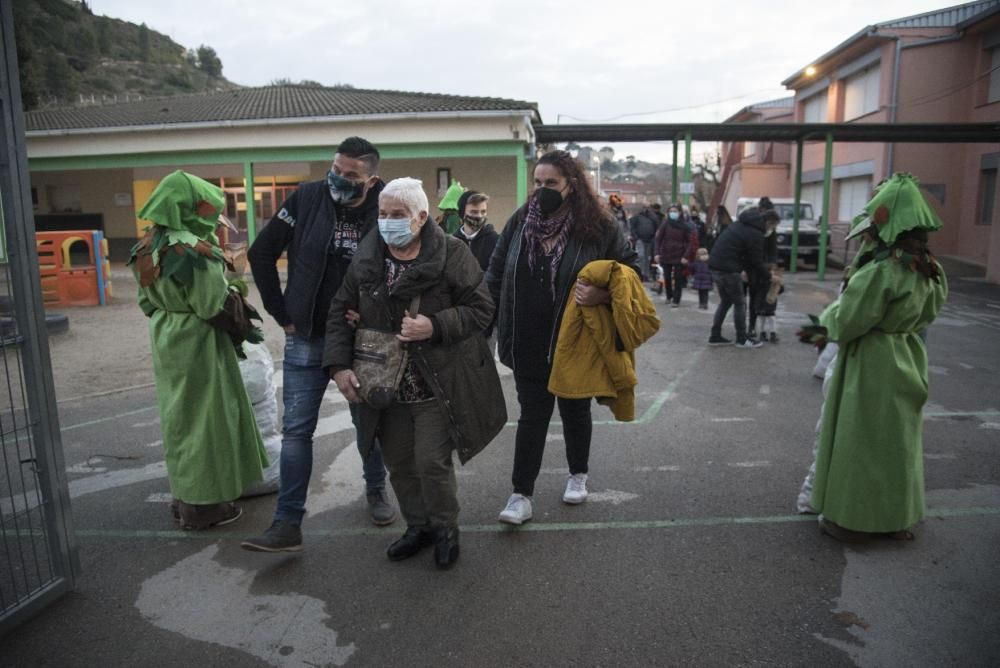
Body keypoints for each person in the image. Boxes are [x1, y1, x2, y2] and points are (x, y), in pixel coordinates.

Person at [324, 177, 505, 569]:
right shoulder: (367, 256)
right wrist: (338, 367)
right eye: (382, 214)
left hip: (435, 381)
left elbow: (481, 308)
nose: (387, 222)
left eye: (398, 215)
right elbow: (341, 310)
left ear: (422, 217)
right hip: (384, 383)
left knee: (430, 462)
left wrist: (435, 325)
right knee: (399, 463)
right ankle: (418, 527)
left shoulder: (452, 254)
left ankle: (445, 529)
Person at [242, 137, 395, 553]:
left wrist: (376, 313)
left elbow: (405, 265)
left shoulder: (387, 205)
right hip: (307, 336)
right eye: (336, 170)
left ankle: (376, 490)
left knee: (369, 423)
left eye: (352, 176)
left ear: (371, 178)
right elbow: (261, 253)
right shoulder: (307, 197)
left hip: (362, 341)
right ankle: (287, 522)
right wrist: (282, 313)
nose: (340, 180)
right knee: (296, 432)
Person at [487, 150, 641, 525]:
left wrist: (602, 295)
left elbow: (632, 273)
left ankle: (578, 474)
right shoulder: (521, 221)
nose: (542, 191)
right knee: (532, 416)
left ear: (571, 185)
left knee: (575, 411)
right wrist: (483, 325)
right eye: (537, 183)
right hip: (526, 338)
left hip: (575, 342)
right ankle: (520, 495)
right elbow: (493, 274)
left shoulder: (600, 226)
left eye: (551, 183)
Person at [806, 173, 948, 543]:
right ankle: (895, 519)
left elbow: (848, 321)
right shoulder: (931, 269)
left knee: (861, 440)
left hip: (872, 361)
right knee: (897, 442)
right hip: (909, 354)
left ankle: (851, 520)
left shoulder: (880, 271)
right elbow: (930, 312)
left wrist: (827, 321)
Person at [128, 170, 268, 530]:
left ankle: (184, 494)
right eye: (207, 211)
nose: (211, 220)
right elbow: (211, 305)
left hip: (166, 338)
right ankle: (203, 506)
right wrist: (236, 299)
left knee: (180, 418)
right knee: (207, 421)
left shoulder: (146, 248)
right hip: (200, 343)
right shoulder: (196, 252)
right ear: (189, 210)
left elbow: (146, 303)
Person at [707, 206, 771, 348]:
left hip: (715, 265)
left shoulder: (738, 225)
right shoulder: (755, 233)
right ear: (766, 222)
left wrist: (745, 270)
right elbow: (755, 260)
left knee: (725, 302)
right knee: (739, 303)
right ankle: (742, 339)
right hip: (728, 269)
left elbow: (742, 252)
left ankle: (715, 335)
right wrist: (768, 276)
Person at [454, 190, 500, 352]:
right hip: (458, 320)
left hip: (487, 320)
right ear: (462, 213)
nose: (479, 216)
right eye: (473, 212)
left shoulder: (496, 242)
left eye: (483, 211)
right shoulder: (452, 243)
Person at [653, 203, 694, 307]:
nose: (673, 213)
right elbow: (658, 239)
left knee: (678, 278)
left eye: (675, 211)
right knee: (666, 277)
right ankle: (669, 296)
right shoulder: (665, 224)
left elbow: (690, 242)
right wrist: (657, 253)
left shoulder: (685, 226)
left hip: (680, 255)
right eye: (671, 211)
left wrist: (686, 256)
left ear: (679, 213)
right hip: (666, 254)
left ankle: (676, 299)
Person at [628, 203, 661, 282]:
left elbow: (658, 227)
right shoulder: (637, 217)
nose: (646, 209)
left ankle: (646, 274)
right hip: (640, 240)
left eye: (648, 207)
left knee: (647, 258)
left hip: (650, 240)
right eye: (645, 207)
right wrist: (635, 236)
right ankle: (641, 273)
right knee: (641, 256)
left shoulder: (653, 217)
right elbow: (632, 226)